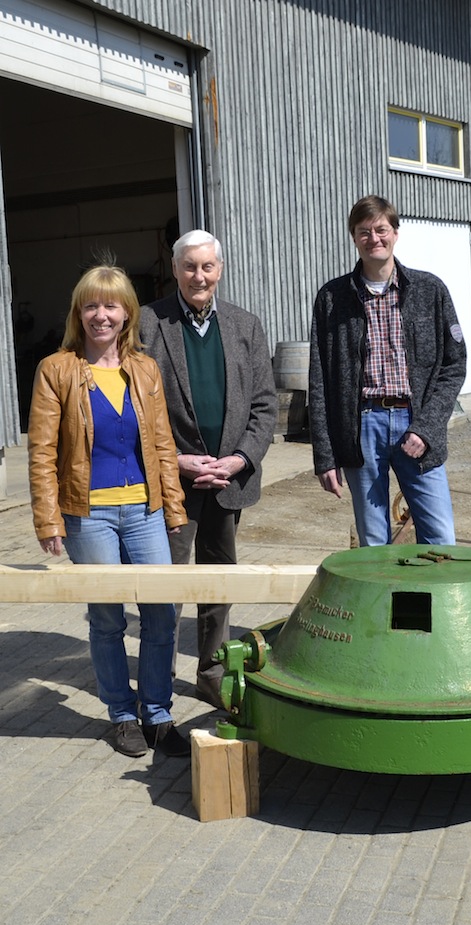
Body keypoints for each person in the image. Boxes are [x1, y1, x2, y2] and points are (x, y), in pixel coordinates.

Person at [28, 262, 190, 758]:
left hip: (144, 511)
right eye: (92, 305)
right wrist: (48, 519)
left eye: (111, 305)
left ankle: (158, 713)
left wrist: (175, 509)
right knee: (106, 619)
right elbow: (41, 451)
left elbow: (163, 443)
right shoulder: (56, 369)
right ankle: (122, 714)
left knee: (161, 616)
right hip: (88, 514)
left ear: (127, 313)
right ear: (80, 312)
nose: (102, 314)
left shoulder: (144, 369)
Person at [140, 229, 277, 709]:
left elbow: (264, 405)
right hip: (172, 479)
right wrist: (174, 460)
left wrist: (239, 459)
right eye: (190, 266)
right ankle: (156, 686)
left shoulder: (245, 325)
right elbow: (134, 408)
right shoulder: (147, 324)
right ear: (175, 269)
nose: (199, 276)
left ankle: (212, 672)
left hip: (227, 478)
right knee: (169, 583)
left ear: (220, 269)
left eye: (207, 266)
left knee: (219, 580)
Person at [309, 195, 467, 547]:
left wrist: (426, 428)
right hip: (361, 428)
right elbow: (319, 381)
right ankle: (384, 603)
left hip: (417, 427)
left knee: (440, 537)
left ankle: (432, 602)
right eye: (364, 232)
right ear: (353, 237)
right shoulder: (332, 298)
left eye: (381, 229)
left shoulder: (430, 291)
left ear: (395, 232)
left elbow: (454, 365)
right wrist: (325, 455)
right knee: (373, 543)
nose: (374, 238)